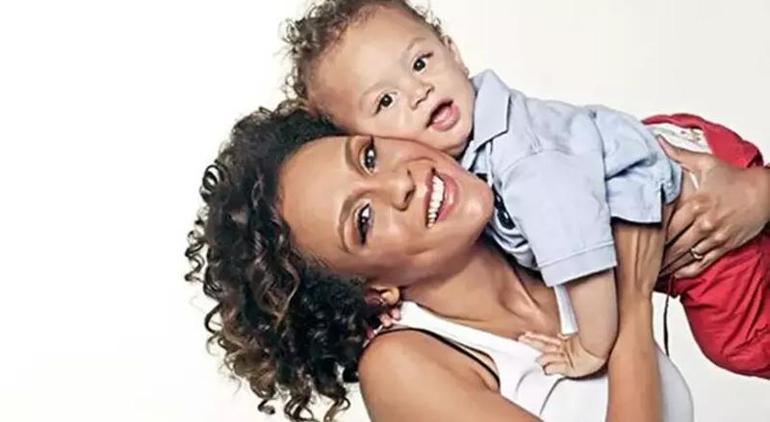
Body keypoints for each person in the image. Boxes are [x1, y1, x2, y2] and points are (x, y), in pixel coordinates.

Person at [281, 0, 770, 377]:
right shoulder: (464, 169)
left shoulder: (522, 163)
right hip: (656, 149)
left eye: (421, 62)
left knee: (739, 345)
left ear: (452, 51)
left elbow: (580, 252)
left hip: (692, 188)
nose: (419, 91)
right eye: (386, 101)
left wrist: (591, 347)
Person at [185, 105, 765, 421]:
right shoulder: (403, 368)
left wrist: (754, 193)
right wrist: (632, 309)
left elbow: (706, 199)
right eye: (362, 220)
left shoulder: (535, 218)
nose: (400, 183)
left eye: (369, 156)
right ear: (372, 290)